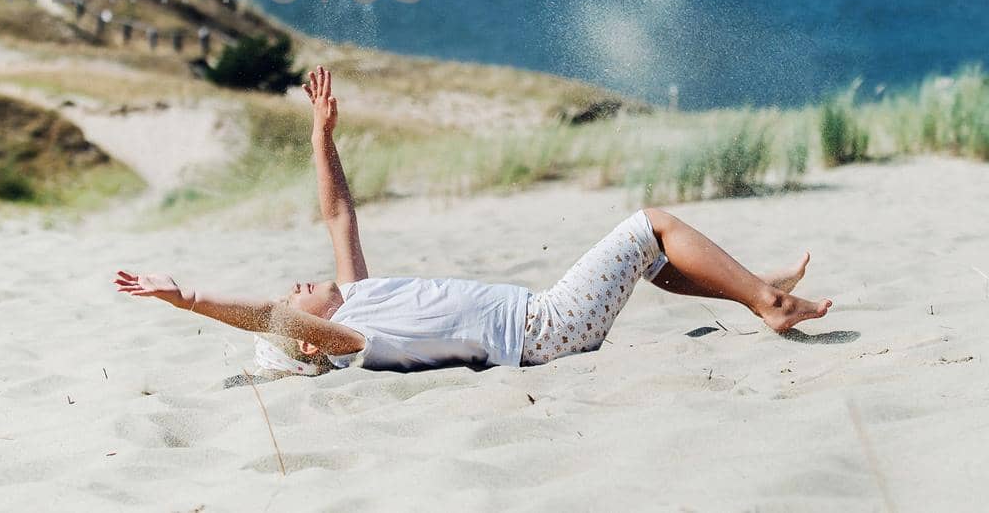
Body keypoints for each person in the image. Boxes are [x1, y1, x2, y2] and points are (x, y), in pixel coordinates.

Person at [115, 66, 832, 375]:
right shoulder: (353, 340)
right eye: (295, 295)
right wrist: (190, 300)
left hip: (543, 325)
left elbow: (337, 212)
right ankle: (767, 303)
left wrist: (321, 135)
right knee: (649, 224)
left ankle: (749, 286)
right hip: (543, 331)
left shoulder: (357, 295)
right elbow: (271, 319)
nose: (296, 285)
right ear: (311, 343)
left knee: (648, 260)